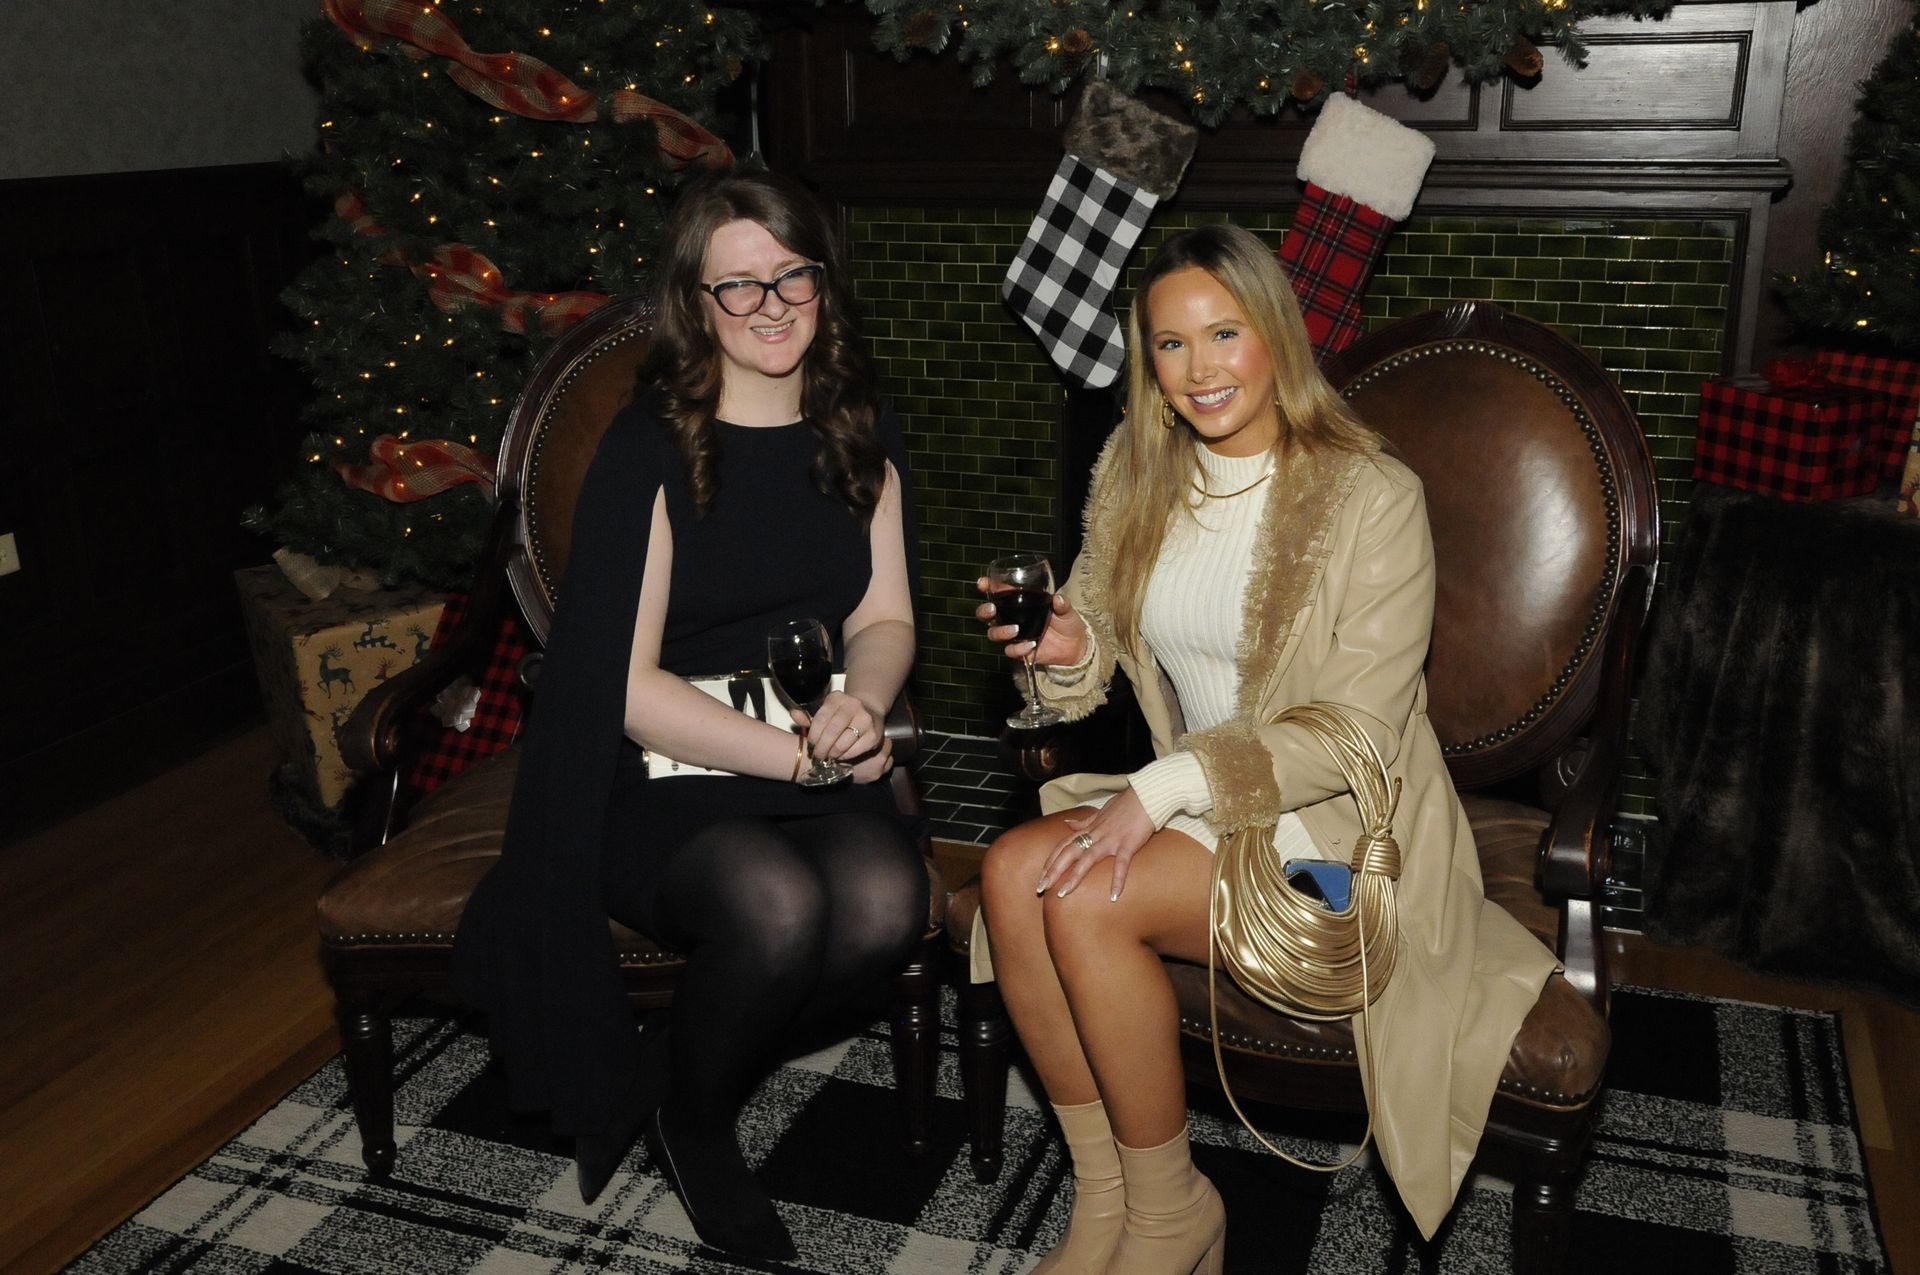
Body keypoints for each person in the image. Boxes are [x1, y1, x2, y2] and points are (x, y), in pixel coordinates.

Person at [973, 222, 1558, 1274]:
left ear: (1276, 339)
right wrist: (1068, 643)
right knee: (1014, 875)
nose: (1200, 371)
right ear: (1146, 362)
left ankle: (1171, 1216)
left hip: (1337, 829)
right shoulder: (1137, 473)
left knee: (1076, 894)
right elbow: (1096, 635)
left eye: (1224, 334)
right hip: (1199, 801)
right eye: (1170, 345)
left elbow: (1358, 734)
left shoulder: (1369, 496)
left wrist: (1158, 793)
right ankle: (1111, 1202)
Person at [452, 169, 928, 1262]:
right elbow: (626, 690)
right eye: (738, 287)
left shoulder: (859, 425)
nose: (770, 306)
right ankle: (698, 1126)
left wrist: (864, 699)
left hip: (808, 738)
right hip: (662, 766)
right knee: (775, 911)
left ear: (822, 280)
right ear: (697, 304)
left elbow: (888, 615)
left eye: (789, 276)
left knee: (887, 900)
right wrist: (798, 761)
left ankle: (670, 1072)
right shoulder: (648, 449)